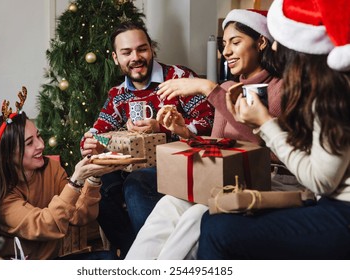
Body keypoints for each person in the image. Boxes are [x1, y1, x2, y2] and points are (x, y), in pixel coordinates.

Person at [125, 8, 292, 260]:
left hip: (271, 181)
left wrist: (208, 88)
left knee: (198, 213)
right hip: (224, 180)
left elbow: (261, 141)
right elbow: (218, 145)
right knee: (168, 204)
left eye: (235, 42)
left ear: (261, 42)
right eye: (225, 44)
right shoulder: (226, 88)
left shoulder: (284, 87)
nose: (226, 52)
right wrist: (185, 133)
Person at [197, 0, 350, 259]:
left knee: (218, 230)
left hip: (339, 208)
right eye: (225, 44)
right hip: (327, 200)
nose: (276, 46)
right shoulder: (321, 89)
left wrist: (265, 124)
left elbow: (321, 181)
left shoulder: (333, 94)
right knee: (211, 220)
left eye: (280, 40)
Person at [79, 21, 214, 258]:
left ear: (151, 49)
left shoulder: (178, 78)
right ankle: (139, 256)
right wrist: (91, 141)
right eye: (126, 52)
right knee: (101, 183)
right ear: (115, 58)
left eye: (141, 49)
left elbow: (209, 124)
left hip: (181, 164)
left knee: (136, 182)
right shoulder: (118, 95)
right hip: (138, 166)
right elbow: (98, 129)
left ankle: (146, 259)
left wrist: (162, 128)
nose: (135, 57)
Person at [0, 87, 126, 260]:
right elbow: (46, 225)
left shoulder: (50, 168)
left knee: (111, 260)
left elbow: (80, 216)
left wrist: (93, 178)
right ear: (8, 156)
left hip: (52, 262)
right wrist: (75, 182)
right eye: (29, 143)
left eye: (38, 136)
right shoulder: (1, 198)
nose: (41, 145)